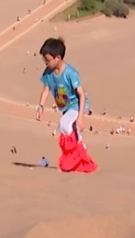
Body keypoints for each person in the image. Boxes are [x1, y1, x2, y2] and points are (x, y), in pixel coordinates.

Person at [35, 37, 97, 173]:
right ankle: (77, 157)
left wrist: (80, 117)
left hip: (78, 104)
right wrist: (40, 107)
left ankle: (80, 149)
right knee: (63, 129)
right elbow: (46, 89)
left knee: (65, 124)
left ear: (58, 57)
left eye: (47, 60)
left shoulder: (70, 73)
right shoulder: (48, 73)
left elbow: (81, 94)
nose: (45, 63)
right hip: (66, 108)